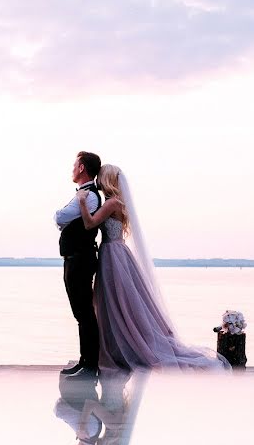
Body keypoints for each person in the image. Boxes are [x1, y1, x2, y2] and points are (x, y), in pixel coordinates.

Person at [76, 164, 231, 373]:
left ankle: (122, 349)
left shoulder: (112, 203)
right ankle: (120, 347)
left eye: (100, 177)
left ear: (106, 180)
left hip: (112, 254)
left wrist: (82, 202)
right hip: (118, 253)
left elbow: (90, 223)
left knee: (115, 302)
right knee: (118, 303)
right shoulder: (119, 203)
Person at [54, 152, 103, 380]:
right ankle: (85, 361)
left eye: (74, 164)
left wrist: (61, 217)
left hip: (80, 260)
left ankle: (90, 364)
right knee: (81, 313)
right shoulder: (84, 194)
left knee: (84, 313)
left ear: (82, 168)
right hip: (75, 259)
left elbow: (61, 216)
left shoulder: (89, 196)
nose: (72, 168)